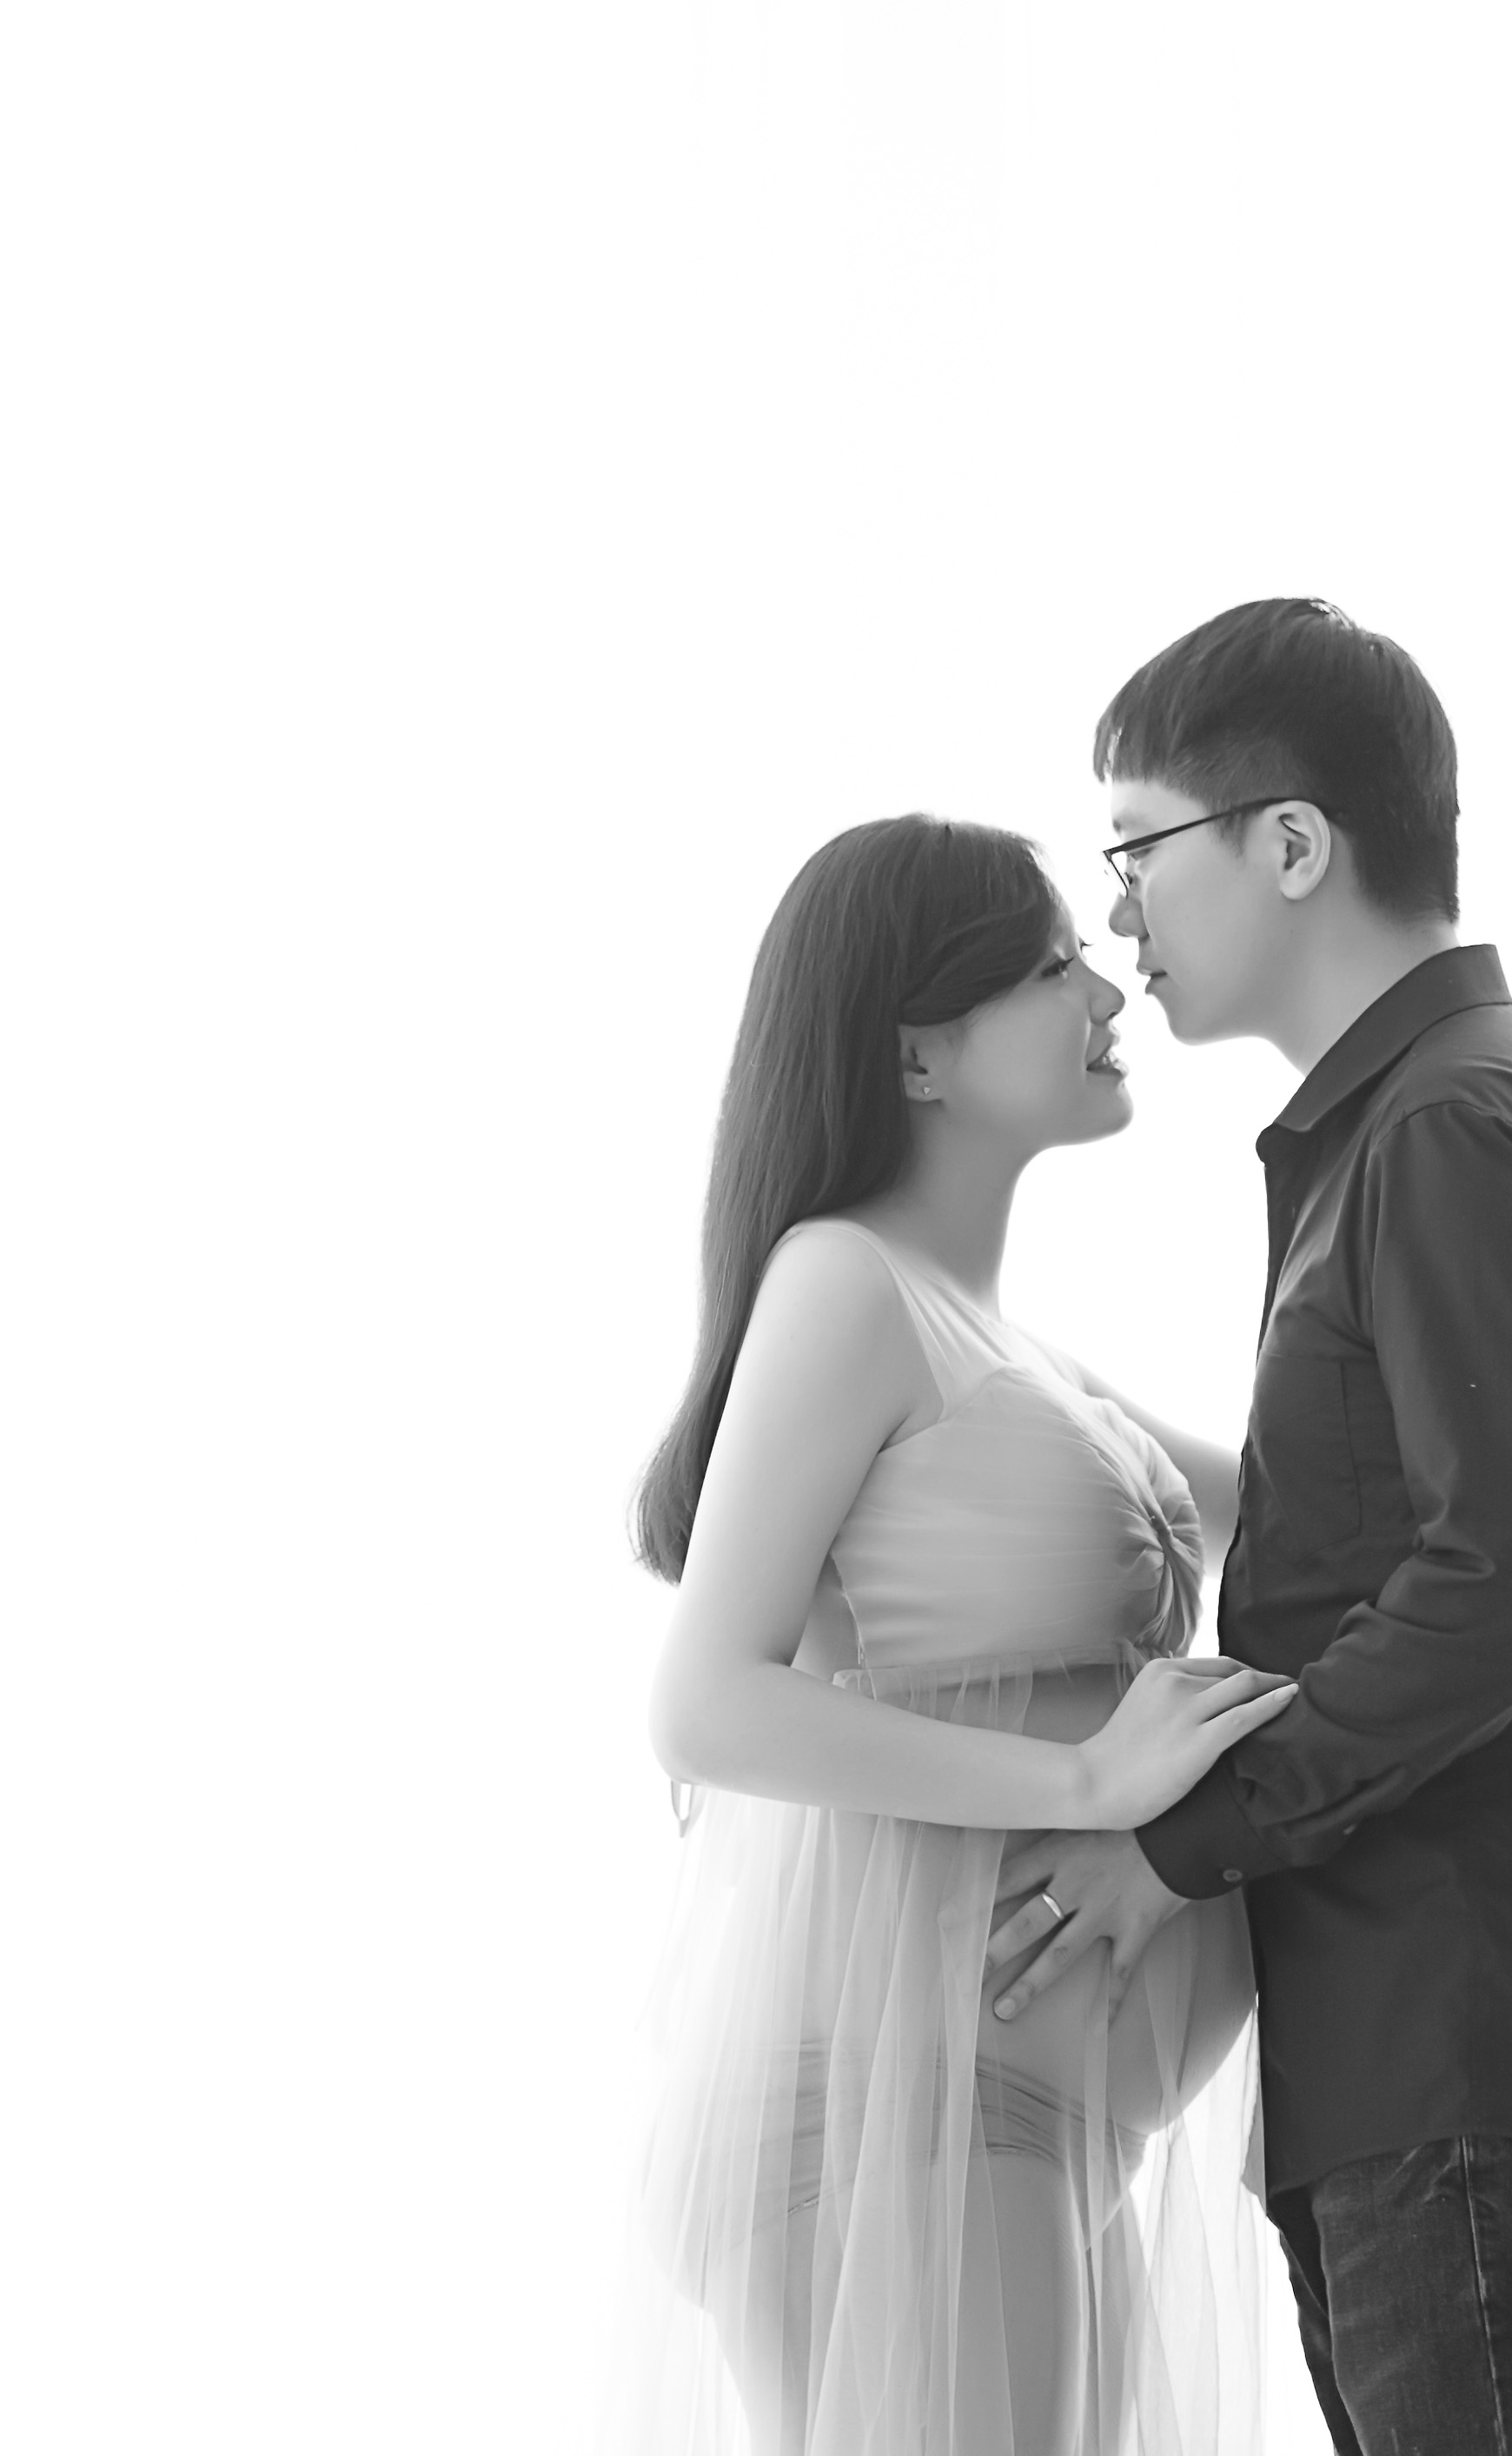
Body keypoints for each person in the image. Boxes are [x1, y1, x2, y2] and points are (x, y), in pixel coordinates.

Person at [983, 599, 1512, 2455]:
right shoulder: (1428, 1117)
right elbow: (1399, 1530)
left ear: (1290, 841)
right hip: (1450, 2056)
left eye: (1137, 846)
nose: (1117, 915)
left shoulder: (1446, 1125)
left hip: (1481, 2047)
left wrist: (1174, 1846)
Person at [622, 813, 1300, 2456]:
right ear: (920, 1052)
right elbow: (704, 1704)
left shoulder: (1006, 1348)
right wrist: (1087, 1784)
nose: (1108, 989)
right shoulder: (842, 1284)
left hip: (1010, 2122)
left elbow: (1305, 1507)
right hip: (884, 2108)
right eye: (1055, 965)